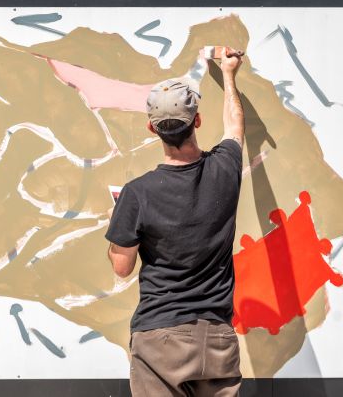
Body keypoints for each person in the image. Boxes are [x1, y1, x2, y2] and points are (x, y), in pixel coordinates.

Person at [105, 48, 245, 397]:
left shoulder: (137, 194)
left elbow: (122, 267)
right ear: (196, 121)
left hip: (160, 340)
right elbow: (235, 125)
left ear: (152, 128)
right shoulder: (225, 169)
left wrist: (119, 224)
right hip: (217, 339)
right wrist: (228, 75)